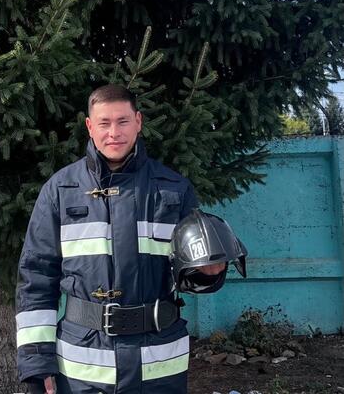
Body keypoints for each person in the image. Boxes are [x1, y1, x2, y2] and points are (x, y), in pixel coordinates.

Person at [16, 84, 225, 394]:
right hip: (82, 369)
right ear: (90, 127)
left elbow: (188, 276)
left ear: (138, 122)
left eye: (123, 121)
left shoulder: (175, 190)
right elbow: (36, 278)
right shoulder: (59, 191)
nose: (114, 133)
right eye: (104, 123)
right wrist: (36, 363)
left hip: (159, 365)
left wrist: (208, 274)